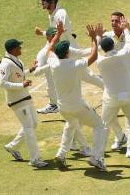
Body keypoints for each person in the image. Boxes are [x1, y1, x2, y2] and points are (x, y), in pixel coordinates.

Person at [39, 22, 108, 171]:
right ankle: (96, 158)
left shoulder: (53, 63)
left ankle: (61, 154)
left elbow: (49, 48)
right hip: (77, 106)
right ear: (68, 53)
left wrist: (57, 34)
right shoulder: (75, 64)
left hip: (63, 108)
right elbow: (94, 55)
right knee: (100, 126)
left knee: (71, 125)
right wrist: (94, 38)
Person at [96, 14, 130, 163]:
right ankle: (124, 141)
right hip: (124, 88)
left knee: (104, 124)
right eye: (112, 21)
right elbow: (129, 45)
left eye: (116, 20)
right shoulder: (122, 52)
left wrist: (96, 37)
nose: (114, 23)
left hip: (119, 85)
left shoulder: (100, 60)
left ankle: (101, 155)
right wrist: (126, 31)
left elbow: (96, 50)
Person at [36, 0, 103, 91]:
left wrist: (43, 33)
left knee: (86, 76)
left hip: (69, 50)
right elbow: (56, 33)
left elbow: (59, 31)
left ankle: (99, 44)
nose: (42, 2)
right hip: (62, 49)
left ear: (52, 1)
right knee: (83, 75)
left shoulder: (60, 13)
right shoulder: (51, 14)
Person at [0, 39, 48, 168]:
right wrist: (21, 85)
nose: (21, 48)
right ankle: (35, 159)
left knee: (33, 124)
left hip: (25, 97)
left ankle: (12, 147)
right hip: (17, 100)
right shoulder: (5, 64)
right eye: (19, 47)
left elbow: (19, 75)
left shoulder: (17, 61)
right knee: (28, 128)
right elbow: (2, 83)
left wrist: (30, 70)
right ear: (14, 49)